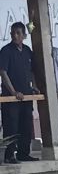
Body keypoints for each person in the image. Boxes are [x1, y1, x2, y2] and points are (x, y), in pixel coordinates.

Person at [0, 23, 39, 163]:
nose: (15, 35)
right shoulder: (5, 51)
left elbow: (32, 71)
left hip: (26, 96)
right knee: (12, 127)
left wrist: (34, 86)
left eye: (18, 33)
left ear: (24, 35)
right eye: (13, 33)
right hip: (11, 98)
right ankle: (10, 155)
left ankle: (24, 153)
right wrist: (13, 92)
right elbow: (3, 73)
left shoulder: (28, 51)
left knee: (26, 125)